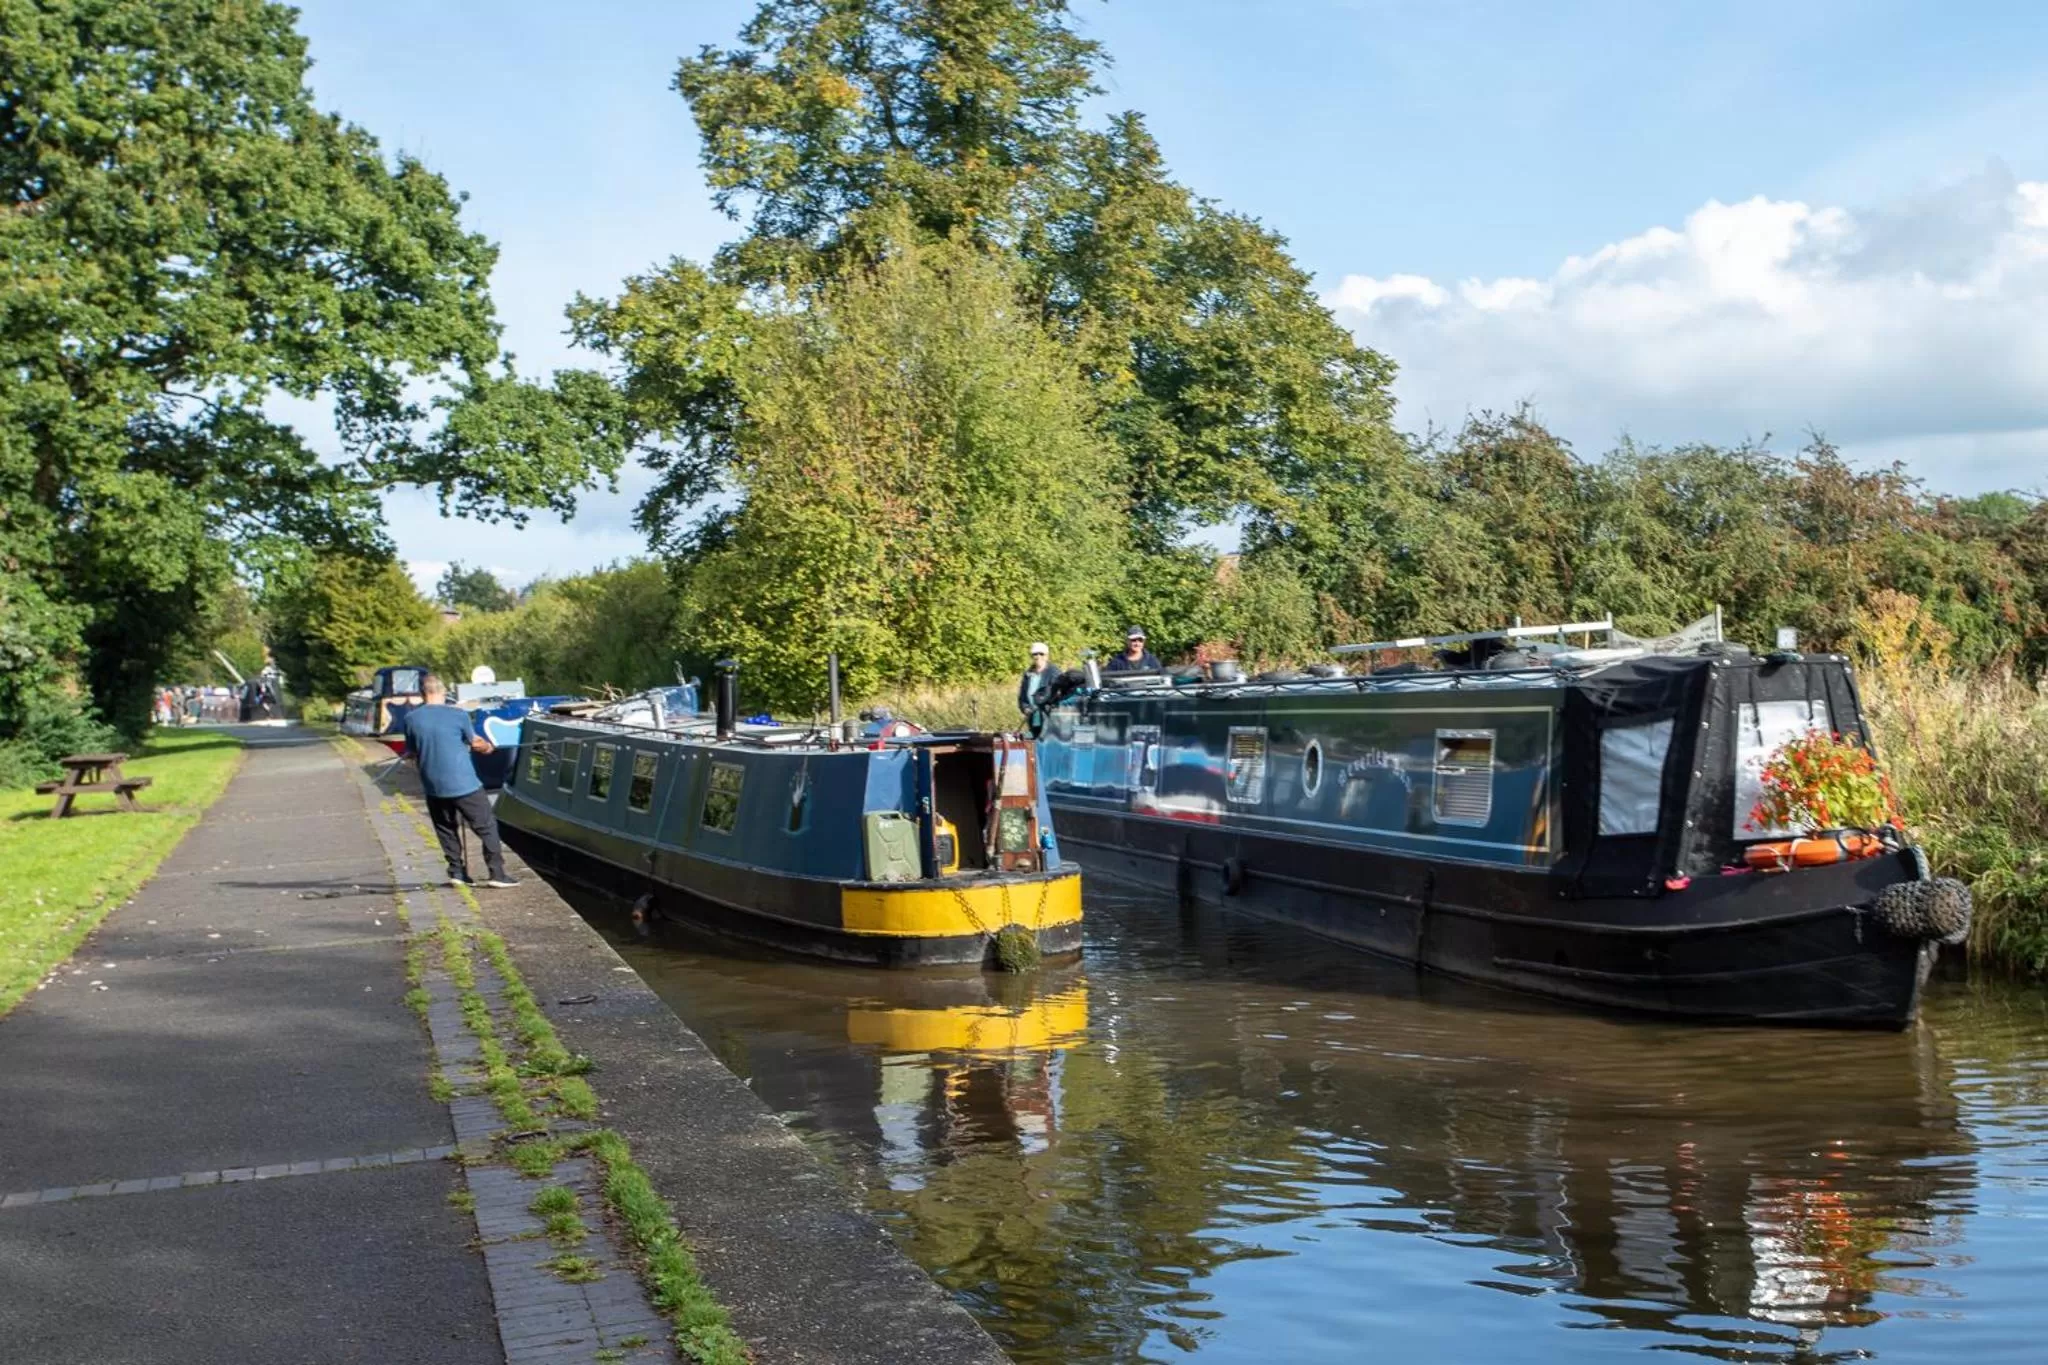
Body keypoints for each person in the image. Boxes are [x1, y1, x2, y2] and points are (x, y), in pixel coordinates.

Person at [402, 673, 517, 888]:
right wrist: (489, 747)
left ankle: (457, 872)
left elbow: (410, 753)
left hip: (433, 786)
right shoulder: (458, 715)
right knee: (487, 827)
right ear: (444, 692)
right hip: (464, 784)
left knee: (446, 828)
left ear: (422, 694)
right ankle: (497, 874)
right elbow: (476, 744)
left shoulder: (410, 719)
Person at [1018, 642, 1059, 716]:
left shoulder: (1054, 672)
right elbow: (1022, 697)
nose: (1038, 656)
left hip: (1050, 716)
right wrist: (1025, 708)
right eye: (1035, 654)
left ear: (1047, 656)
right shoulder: (1028, 674)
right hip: (1032, 717)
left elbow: (1058, 693)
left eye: (1041, 654)